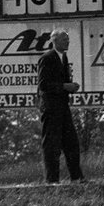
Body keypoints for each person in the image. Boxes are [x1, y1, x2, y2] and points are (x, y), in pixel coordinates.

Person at [36, 28, 84, 184]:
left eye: (68, 39)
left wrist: (70, 87)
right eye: (64, 39)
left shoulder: (63, 58)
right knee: (51, 144)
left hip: (62, 107)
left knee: (71, 142)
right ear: (54, 41)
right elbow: (43, 85)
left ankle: (76, 177)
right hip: (50, 109)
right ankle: (52, 180)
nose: (67, 42)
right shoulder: (47, 58)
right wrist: (64, 86)